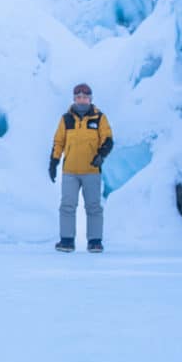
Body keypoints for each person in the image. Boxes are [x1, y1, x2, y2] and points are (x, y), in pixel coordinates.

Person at [49, 83, 114, 253]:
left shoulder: (99, 118)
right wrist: (54, 162)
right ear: (74, 99)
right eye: (78, 97)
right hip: (70, 171)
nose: (82, 100)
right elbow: (58, 142)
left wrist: (101, 155)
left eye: (85, 97)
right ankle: (67, 241)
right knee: (67, 206)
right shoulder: (66, 119)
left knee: (93, 206)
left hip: (92, 171)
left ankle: (94, 242)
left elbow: (107, 139)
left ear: (90, 99)